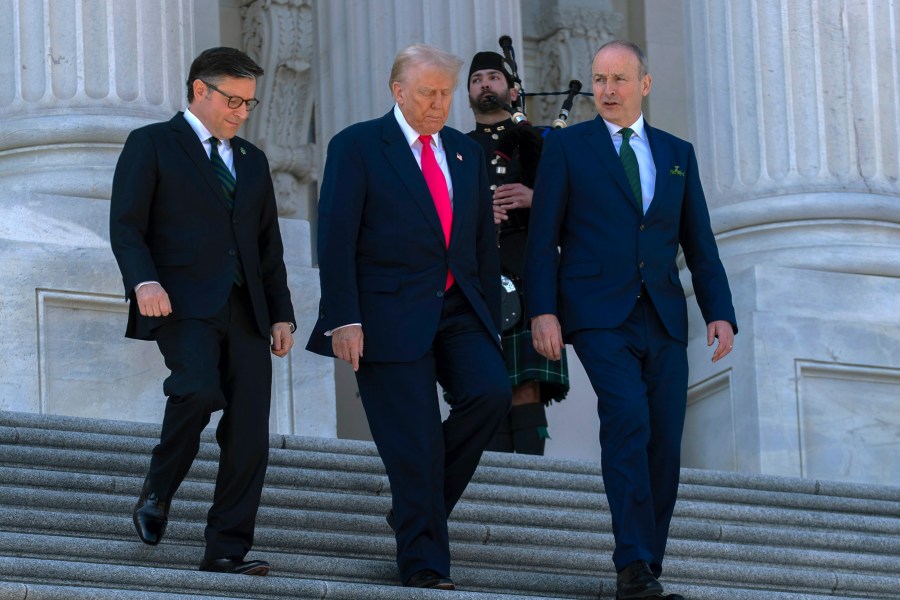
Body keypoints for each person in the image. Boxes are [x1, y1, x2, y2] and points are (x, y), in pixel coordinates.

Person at [525, 40, 736, 600]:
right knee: (628, 418)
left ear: (645, 83)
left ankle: (648, 563)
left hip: (663, 313)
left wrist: (720, 312)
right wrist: (542, 311)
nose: (607, 90)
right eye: (599, 79)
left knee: (665, 441)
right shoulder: (567, 149)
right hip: (596, 313)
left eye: (619, 79)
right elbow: (542, 240)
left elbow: (700, 242)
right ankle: (632, 563)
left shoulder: (676, 152)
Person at [307, 44, 511, 590]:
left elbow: (480, 249)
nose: (438, 104)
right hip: (384, 313)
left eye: (446, 93)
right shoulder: (357, 146)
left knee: (491, 392)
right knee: (416, 441)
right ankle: (424, 563)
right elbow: (336, 237)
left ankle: (415, 507)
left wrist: (490, 319)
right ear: (398, 92)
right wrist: (343, 318)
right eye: (427, 93)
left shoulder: (465, 153)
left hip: (460, 308)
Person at [109, 47, 295, 576]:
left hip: (248, 310)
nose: (240, 112)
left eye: (249, 104)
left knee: (249, 434)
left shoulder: (253, 161)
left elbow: (268, 247)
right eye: (232, 100)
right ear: (199, 90)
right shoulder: (151, 143)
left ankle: (226, 549)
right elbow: (126, 224)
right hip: (182, 301)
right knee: (196, 390)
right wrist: (143, 280)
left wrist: (281, 313)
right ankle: (158, 491)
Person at [466, 51, 569, 455]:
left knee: (526, 386)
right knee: (483, 385)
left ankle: (530, 482)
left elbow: (580, 202)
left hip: (528, 270)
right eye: (477, 80)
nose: (485, 85)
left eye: (494, 77)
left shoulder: (541, 142)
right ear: (469, 93)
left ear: (512, 90)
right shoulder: (455, 148)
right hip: (478, 275)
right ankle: (490, 486)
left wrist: (535, 196)